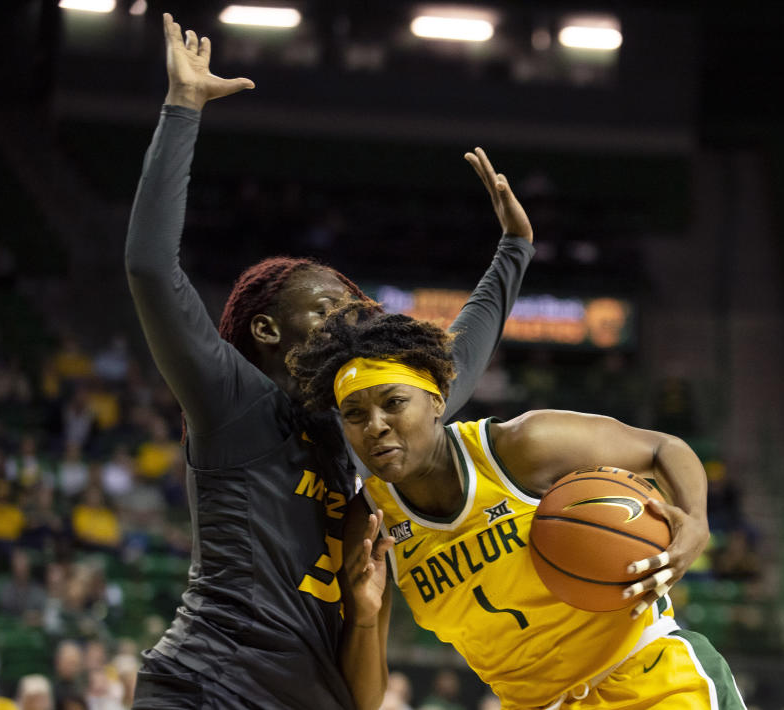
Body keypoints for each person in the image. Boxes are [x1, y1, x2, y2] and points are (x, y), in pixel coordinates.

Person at [124, 12, 534, 710]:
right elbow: (151, 271)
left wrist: (513, 251)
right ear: (266, 329)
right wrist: (183, 108)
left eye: (353, 307)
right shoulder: (235, 403)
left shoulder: (360, 426)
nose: (348, 317)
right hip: (208, 687)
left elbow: (449, 368)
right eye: (324, 308)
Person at [290, 304, 745, 710]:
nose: (375, 427)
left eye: (394, 404)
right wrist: (365, 619)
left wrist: (697, 522)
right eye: (354, 414)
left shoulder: (521, 447)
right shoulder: (368, 522)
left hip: (651, 679)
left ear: (436, 400)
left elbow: (663, 448)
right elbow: (366, 702)